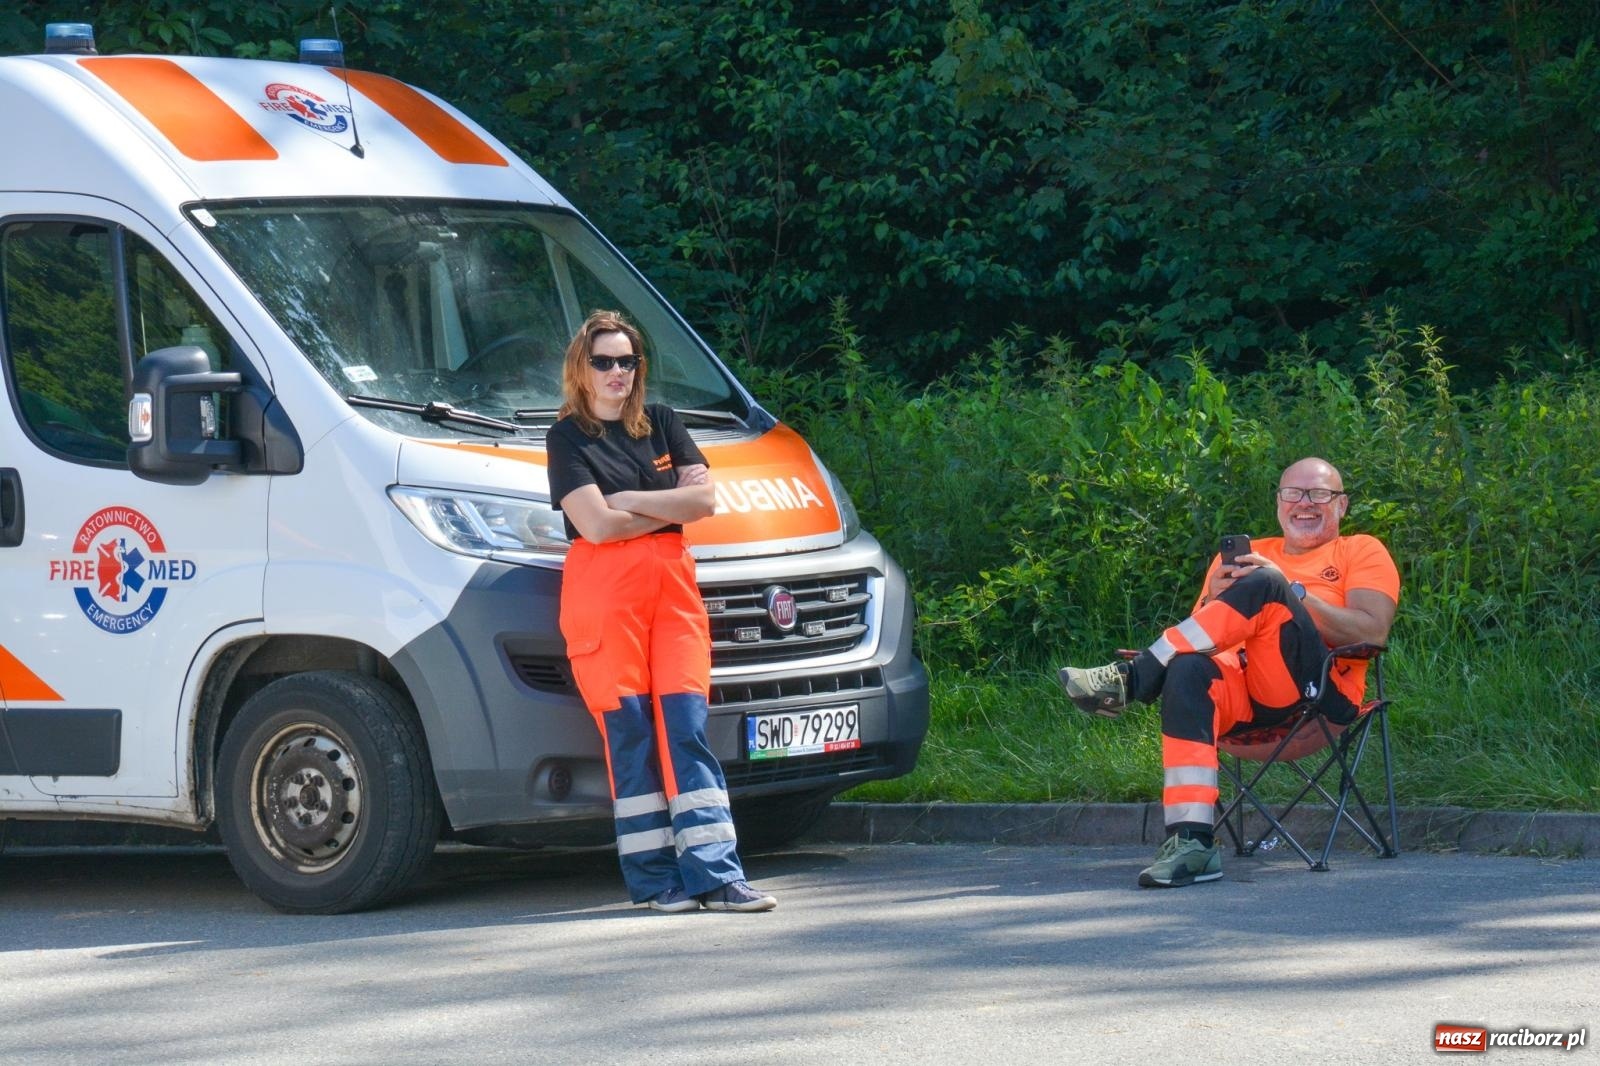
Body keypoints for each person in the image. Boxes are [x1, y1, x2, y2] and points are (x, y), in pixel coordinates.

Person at [1057, 457, 1400, 888]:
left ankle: (1135, 677)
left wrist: (1291, 590)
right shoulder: (1251, 556)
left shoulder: (1361, 549)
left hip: (1317, 698)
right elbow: (1203, 635)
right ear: (1278, 501)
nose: (1304, 504)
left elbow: (1374, 629)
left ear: (1342, 505)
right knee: (1187, 667)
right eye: (1293, 493)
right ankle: (1192, 843)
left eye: (1319, 494)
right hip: (1240, 701)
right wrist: (1212, 599)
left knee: (1270, 585)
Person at [545, 309, 777, 913]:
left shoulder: (665, 423)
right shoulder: (566, 436)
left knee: (686, 731)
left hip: (673, 594)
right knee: (631, 738)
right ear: (582, 368)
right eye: (605, 361)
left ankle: (719, 878)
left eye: (628, 360)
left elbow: (704, 502)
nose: (618, 371)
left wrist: (632, 502)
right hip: (604, 598)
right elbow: (593, 524)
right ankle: (654, 883)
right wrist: (668, 507)